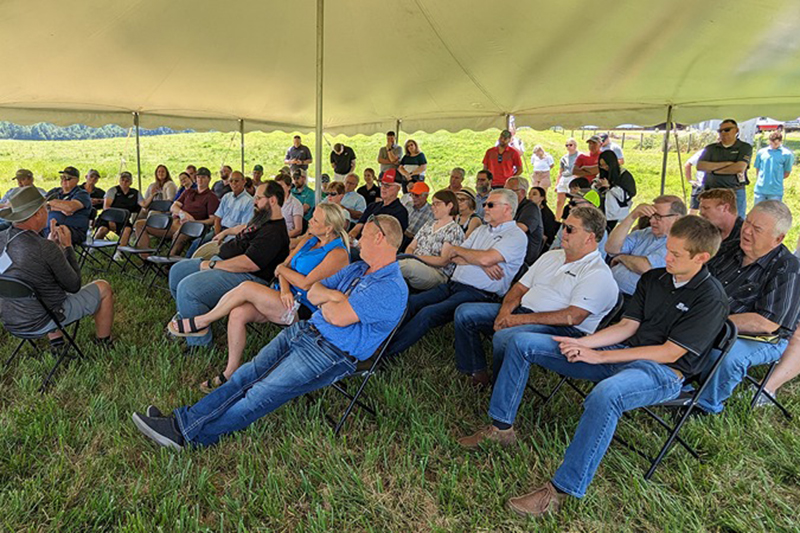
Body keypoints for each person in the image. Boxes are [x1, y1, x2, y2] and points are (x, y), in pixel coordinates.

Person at [458, 216, 727, 517]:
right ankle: (501, 427)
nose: (667, 257)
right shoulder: (655, 279)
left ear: (701, 257)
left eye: (676, 254)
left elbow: (669, 352)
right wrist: (586, 345)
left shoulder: (711, 297)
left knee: (606, 395)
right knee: (522, 343)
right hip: (623, 351)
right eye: (668, 249)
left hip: (661, 372)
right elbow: (627, 326)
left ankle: (562, 489)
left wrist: (600, 356)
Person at [131, 215, 407, 450]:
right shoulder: (359, 268)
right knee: (245, 376)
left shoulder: (390, 287)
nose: (359, 241)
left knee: (259, 393)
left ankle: (189, 434)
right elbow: (314, 290)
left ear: (381, 238)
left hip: (330, 354)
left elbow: (336, 315)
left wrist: (331, 300)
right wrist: (335, 297)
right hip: (305, 330)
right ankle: (182, 423)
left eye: (367, 236)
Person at [169, 203, 351, 391]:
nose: (310, 221)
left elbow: (306, 283)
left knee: (247, 287)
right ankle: (230, 373)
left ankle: (202, 321)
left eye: (315, 219)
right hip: (284, 296)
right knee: (238, 313)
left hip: (305, 308)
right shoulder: (309, 241)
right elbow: (283, 266)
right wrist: (285, 288)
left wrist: (282, 272)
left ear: (329, 228)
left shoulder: (338, 253)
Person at [453, 206, 617, 386]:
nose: (563, 232)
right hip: (524, 312)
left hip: (559, 328)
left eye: (570, 229)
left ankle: (500, 385)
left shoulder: (597, 272)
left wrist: (518, 320)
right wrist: (505, 313)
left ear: (590, 237)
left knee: (504, 337)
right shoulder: (552, 256)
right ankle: (476, 372)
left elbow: (573, 317)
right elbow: (519, 288)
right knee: (465, 313)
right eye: (563, 226)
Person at [387, 189, 527, 356]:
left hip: (479, 293)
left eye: (490, 204)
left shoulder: (516, 235)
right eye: (484, 204)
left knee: (428, 313)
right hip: (454, 284)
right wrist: (481, 261)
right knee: (412, 302)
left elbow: (483, 258)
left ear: (508, 208)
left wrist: (479, 258)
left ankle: (386, 354)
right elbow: (453, 254)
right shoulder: (482, 230)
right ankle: (381, 341)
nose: (485, 208)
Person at [697, 200, 800, 414]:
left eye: (757, 229)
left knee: (727, 357)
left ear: (778, 239)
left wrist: (710, 322)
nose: (747, 231)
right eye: (748, 223)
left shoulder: (787, 268)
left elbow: (767, 322)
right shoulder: (729, 248)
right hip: (710, 320)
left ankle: (706, 405)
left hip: (761, 337)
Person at [168, 181, 290, 352]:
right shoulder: (263, 219)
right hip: (226, 263)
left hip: (247, 277)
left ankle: (200, 345)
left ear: (273, 201)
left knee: (187, 289)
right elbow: (246, 227)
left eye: (259, 198)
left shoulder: (274, 233)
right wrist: (225, 232)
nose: (254, 202)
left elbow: (249, 264)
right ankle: (189, 312)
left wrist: (212, 264)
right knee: (177, 271)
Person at [0, 187, 115, 348]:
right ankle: (103, 342)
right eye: (46, 208)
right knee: (103, 287)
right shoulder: (45, 248)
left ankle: (57, 342)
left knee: (42, 286)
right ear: (38, 214)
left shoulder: (2, 237)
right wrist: (67, 247)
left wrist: (51, 246)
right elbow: (74, 285)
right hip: (43, 319)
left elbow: (26, 267)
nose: (48, 213)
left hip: (10, 319)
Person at [605, 196, 686, 297]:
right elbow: (611, 248)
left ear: (676, 219)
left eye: (658, 217)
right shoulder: (645, 233)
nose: (651, 221)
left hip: (631, 299)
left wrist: (621, 258)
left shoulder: (679, 242)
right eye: (651, 216)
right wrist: (632, 217)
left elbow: (646, 267)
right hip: (608, 288)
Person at [400, 190, 465, 291]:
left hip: (437, 273)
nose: (432, 207)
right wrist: (410, 256)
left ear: (450, 205)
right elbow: (411, 246)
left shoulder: (454, 230)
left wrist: (416, 257)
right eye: (433, 203)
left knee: (404, 266)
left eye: (437, 204)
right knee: (395, 261)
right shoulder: (429, 224)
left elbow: (443, 261)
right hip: (415, 264)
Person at [697, 119, 753, 217]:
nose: (723, 133)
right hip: (711, 191)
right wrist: (726, 163)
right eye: (720, 131)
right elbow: (700, 166)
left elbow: (739, 167)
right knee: (708, 221)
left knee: (736, 220)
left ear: (736, 130)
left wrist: (713, 170)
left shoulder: (744, 147)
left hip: (734, 191)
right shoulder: (711, 148)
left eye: (727, 130)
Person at [349, 170, 409, 241]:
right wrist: (349, 238)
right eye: (381, 184)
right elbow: (357, 227)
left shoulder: (400, 212)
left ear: (398, 188)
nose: (383, 188)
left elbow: (389, 240)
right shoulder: (372, 206)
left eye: (387, 185)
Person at [45, 166, 92, 245]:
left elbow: (70, 207)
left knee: (56, 233)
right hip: (49, 227)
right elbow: (40, 204)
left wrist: (51, 203)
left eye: (68, 178)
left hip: (73, 230)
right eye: (62, 177)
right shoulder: (55, 191)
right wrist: (60, 208)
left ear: (77, 180)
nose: (64, 180)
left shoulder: (82, 194)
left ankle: (54, 256)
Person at [95, 171, 142, 247]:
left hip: (124, 219)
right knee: (102, 230)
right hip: (109, 218)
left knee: (127, 230)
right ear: (119, 181)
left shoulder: (135, 193)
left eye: (127, 180)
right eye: (122, 180)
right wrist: (111, 220)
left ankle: (120, 252)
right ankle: (92, 249)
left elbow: (143, 204)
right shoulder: (112, 191)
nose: (124, 182)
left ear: (131, 182)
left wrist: (152, 195)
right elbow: (106, 207)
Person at [505, 176, 543, 265]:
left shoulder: (531, 208)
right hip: (510, 254)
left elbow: (520, 229)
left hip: (523, 261)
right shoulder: (512, 207)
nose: (505, 194)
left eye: (509, 191)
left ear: (521, 192)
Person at [596, 150, 636, 230]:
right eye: (601, 166)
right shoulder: (602, 174)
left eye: (606, 165)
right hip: (602, 212)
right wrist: (597, 186)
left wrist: (610, 187)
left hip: (617, 214)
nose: (604, 168)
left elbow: (626, 196)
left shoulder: (624, 175)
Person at [697, 188, 742, 256]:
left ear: (725, 208)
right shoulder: (708, 230)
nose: (701, 213)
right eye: (701, 208)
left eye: (706, 208)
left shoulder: (745, 235)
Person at [753, 131, 794, 204]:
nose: (773, 145)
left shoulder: (787, 154)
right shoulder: (761, 152)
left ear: (781, 142)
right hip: (760, 190)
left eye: (776, 143)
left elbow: (787, 172)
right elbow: (757, 168)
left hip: (775, 191)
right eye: (771, 143)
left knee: (774, 213)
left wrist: (776, 178)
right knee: (758, 212)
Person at [211, 172, 253, 238]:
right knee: (198, 243)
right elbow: (218, 218)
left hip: (234, 235)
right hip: (219, 230)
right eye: (231, 181)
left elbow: (244, 227)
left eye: (236, 181)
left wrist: (222, 235)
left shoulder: (249, 201)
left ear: (244, 182)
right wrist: (217, 235)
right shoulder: (226, 197)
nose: (233, 183)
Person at [555, 138, 580, 220]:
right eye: (567, 145)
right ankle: (557, 219)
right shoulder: (564, 158)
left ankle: (571, 219)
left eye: (570, 145)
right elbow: (560, 171)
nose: (568, 147)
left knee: (573, 202)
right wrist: (557, 184)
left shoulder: (580, 156)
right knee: (559, 202)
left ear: (575, 146)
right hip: (564, 178)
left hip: (573, 177)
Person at [528, 186, 558, 250]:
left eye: (534, 194)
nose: (530, 196)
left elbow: (546, 235)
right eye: (529, 194)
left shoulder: (546, 214)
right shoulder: (526, 210)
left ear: (542, 198)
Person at [275, 174, 304, 239]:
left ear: (289, 187)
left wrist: (281, 238)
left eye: (281, 186)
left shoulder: (296, 204)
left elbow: (298, 229)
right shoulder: (273, 201)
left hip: (287, 238)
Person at [684, 148, 706, 214]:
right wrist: (689, 179)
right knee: (693, 210)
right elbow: (688, 164)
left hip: (715, 185)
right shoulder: (704, 151)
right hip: (700, 185)